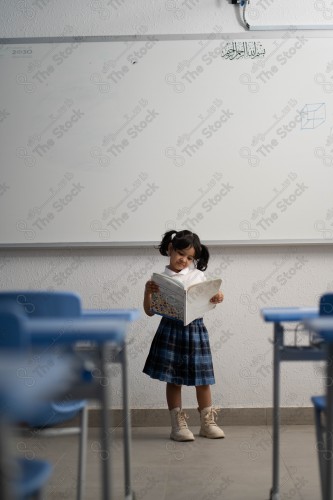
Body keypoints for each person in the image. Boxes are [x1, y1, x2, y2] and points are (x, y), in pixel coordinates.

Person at [143, 229, 225, 442]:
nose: (184, 260)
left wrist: (216, 296)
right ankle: (177, 425)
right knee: (173, 379)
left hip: (195, 330)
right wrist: (148, 292)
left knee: (203, 379)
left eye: (190, 258)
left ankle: (207, 422)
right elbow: (150, 311)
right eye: (181, 254)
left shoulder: (198, 275)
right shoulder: (161, 278)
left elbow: (207, 299)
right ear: (170, 249)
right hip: (171, 330)